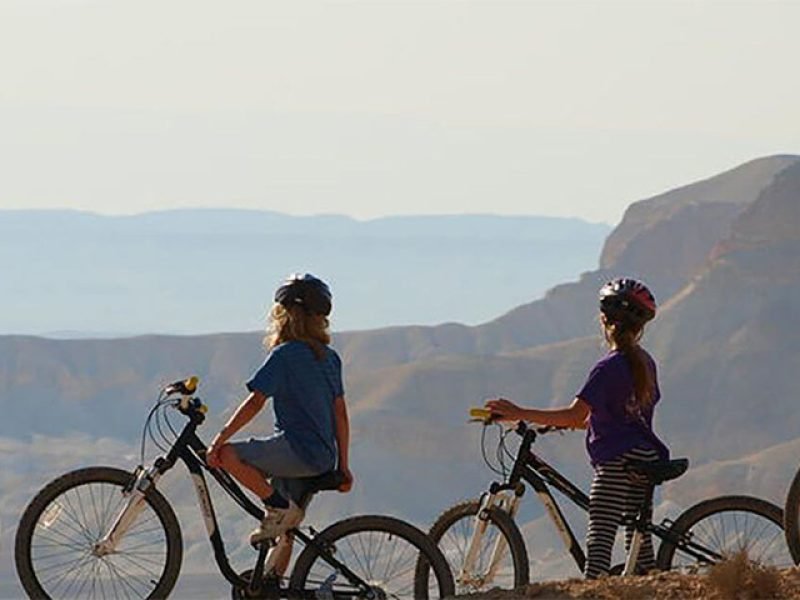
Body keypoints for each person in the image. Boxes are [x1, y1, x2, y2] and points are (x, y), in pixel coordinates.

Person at [485, 278, 669, 579]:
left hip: (618, 461)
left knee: (600, 535)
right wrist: (575, 425)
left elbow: (574, 414)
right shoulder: (645, 362)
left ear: (604, 320)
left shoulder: (608, 367)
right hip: (645, 456)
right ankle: (652, 583)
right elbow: (621, 415)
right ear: (640, 327)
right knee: (638, 539)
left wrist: (518, 412)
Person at [206, 273, 353, 565]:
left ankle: (276, 507)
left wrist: (218, 440)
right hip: (323, 457)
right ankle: (275, 583)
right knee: (287, 532)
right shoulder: (330, 357)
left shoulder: (284, 355)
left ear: (286, 315)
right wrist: (343, 467)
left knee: (228, 455)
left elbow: (256, 401)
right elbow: (340, 413)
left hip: (296, 452)